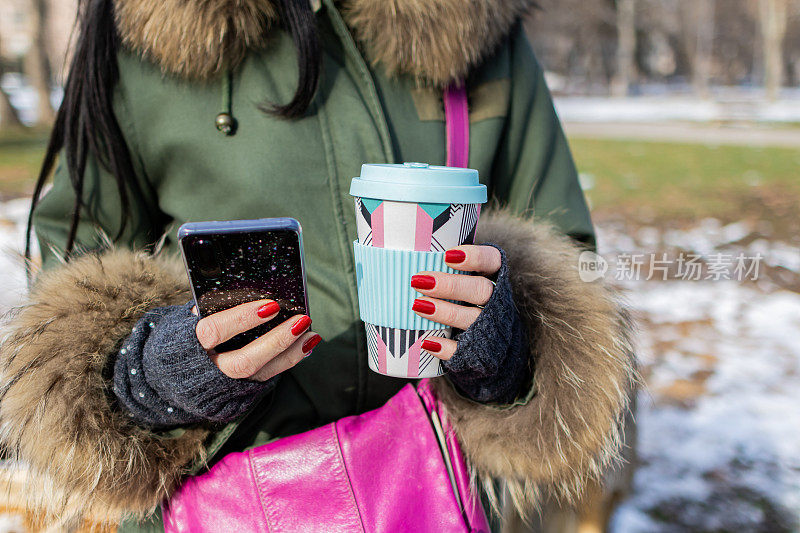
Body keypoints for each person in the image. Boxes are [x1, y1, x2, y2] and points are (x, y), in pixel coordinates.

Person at [0, 0, 635, 530]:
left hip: (434, 495)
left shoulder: (475, 26)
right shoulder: (145, 33)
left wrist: (502, 349)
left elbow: (568, 259)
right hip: (218, 503)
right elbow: (68, 283)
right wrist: (155, 378)